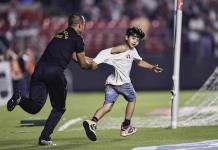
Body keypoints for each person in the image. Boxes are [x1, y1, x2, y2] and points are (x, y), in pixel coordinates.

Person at [7, 13, 92, 146]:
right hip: (54, 73)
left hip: (39, 70)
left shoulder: (59, 35)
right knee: (59, 108)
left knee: (35, 107)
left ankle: (20, 99)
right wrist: (92, 66)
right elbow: (82, 64)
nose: (84, 28)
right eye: (84, 25)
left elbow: (73, 57)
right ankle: (45, 137)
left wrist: (94, 60)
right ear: (79, 25)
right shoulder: (77, 38)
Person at [83, 27, 163, 141]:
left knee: (107, 106)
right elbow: (105, 52)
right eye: (133, 38)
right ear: (126, 37)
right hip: (123, 83)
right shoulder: (122, 48)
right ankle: (126, 126)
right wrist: (96, 61)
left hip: (111, 83)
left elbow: (139, 61)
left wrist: (151, 67)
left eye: (137, 39)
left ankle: (92, 122)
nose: (135, 41)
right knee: (132, 99)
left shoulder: (132, 50)